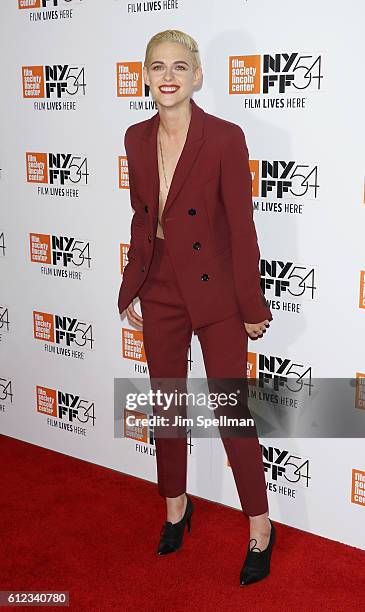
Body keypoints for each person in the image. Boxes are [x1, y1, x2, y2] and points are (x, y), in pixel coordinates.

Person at [118, 29, 276, 585]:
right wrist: (132, 285)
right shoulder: (136, 138)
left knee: (231, 412)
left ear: (198, 75)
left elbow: (242, 225)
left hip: (215, 293)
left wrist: (250, 302)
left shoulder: (225, 138)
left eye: (179, 66)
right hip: (159, 285)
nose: (168, 76)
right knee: (165, 407)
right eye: (157, 66)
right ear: (144, 75)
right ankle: (175, 507)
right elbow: (143, 220)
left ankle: (260, 524)